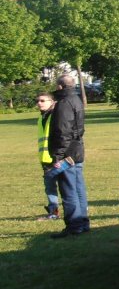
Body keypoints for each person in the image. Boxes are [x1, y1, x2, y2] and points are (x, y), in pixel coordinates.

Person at [48, 74, 89, 237]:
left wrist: (58, 156)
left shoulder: (64, 103)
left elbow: (63, 131)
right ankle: (83, 222)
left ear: (60, 86)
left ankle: (74, 225)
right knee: (78, 188)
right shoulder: (76, 99)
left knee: (68, 189)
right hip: (77, 149)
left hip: (67, 152)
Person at [35, 91, 60, 221]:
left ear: (52, 102)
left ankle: (77, 211)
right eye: (37, 101)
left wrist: (58, 156)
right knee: (50, 187)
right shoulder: (42, 118)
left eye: (42, 100)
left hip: (57, 158)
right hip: (46, 159)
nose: (39, 103)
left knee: (67, 187)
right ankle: (53, 212)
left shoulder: (56, 116)